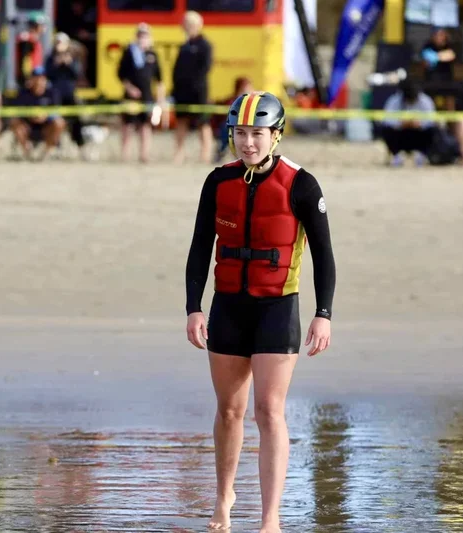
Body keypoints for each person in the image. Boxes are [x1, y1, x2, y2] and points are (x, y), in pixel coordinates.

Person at [185, 91, 336, 533]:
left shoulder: (302, 184)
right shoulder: (218, 182)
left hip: (277, 308)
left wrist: (323, 313)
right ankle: (224, 498)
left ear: (276, 135)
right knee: (229, 411)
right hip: (227, 307)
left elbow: (325, 255)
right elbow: (199, 249)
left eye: (257, 134)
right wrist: (194, 309)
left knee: (269, 412)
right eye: (241, 134)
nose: (248, 143)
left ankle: (271, 518)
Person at [117, 23, 165, 163]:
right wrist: (130, 88)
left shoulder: (153, 55)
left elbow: (159, 79)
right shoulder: (129, 52)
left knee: (145, 125)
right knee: (128, 125)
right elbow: (121, 74)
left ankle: (144, 155)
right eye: (140, 35)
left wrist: (160, 98)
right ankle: (124, 155)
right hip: (130, 96)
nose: (142, 38)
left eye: (145, 36)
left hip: (147, 95)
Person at [172, 10, 213, 164]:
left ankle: (205, 154)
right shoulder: (184, 46)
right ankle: (179, 154)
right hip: (182, 92)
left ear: (197, 25)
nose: (186, 27)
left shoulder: (204, 45)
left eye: (188, 24)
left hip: (198, 92)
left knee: (203, 123)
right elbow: (177, 70)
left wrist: (194, 84)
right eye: (185, 24)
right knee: (181, 122)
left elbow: (205, 68)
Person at [10, 67, 65, 161]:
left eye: (41, 78)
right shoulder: (23, 93)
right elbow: (17, 111)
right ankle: (27, 152)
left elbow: (57, 111)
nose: (39, 81)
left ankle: (47, 152)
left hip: (46, 127)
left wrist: (46, 116)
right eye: (36, 77)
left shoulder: (52, 93)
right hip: (28, 126)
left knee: (59, 122)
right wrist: (30, 116)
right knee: (14, 122)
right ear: (31, 79)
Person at [380, 78, 438, 167]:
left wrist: (419, 124)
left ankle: (421, 155)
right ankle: (396, 155)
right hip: (400, 134)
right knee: (385, 129)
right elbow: (387, 120)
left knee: (433, 130)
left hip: (419, 134)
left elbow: (431, 120)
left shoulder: (425, 100)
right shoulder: (395, 100)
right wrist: (401, 123)